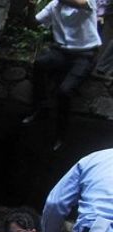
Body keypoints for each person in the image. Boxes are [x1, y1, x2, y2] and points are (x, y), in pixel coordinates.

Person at [22, 0, 101, 150]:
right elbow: (33, 24)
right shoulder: (54, 5)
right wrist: (31, 7)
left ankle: (61, 133)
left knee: (64, 91)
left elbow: (80, 3)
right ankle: (40, 108)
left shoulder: (87, 1)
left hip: (85, 54)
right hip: (62, 52)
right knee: (40, 64)